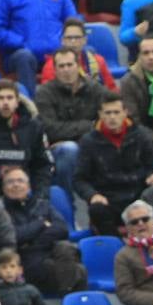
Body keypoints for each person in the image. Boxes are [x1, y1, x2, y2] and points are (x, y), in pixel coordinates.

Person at [73, 93, 153, 236]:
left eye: (116, 112)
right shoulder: (88, 142)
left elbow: (151, 166)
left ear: (125, 113)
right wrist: (92, 195)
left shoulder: (141, 135)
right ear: (100, 114)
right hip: (107, 198)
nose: (112, 117)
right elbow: (79, 179)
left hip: (138, 194)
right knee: (97, 209)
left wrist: (152, 175)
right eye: (108, 113)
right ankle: (114, 246)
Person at [0, 167, 86, 296]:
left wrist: (32, 241)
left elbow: (62, 229)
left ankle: (66, 294)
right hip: (24, 259)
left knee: (65, 247)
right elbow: (14, 235)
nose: (16, 184)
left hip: (49, 253)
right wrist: (41, 224)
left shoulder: (42, 204)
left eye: (20, 181)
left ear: (28, 186)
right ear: (4, 188)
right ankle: (68, 299)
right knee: (79, 271)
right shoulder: (0, 210)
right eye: (10, 182)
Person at [35, 47, 107, 199]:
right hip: (58, 149)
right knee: (70, 149)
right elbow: (50, 129)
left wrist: (91, 130)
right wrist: (89, 126)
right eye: (61, 66)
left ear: (78, 66)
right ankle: (68, 204)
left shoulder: (95, 89)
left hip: (92, 144)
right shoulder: (44, 93)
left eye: (70, 65)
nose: (66, 70)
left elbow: (108, 119)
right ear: (55, 70)